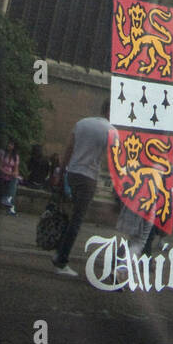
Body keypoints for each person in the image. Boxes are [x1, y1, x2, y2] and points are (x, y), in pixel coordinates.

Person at [52, 98, 114, 276]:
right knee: (76, 221)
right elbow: (115, 161)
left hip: (72, 173)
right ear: (110, 111)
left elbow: (69, 149)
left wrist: (61, 171)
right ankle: (61, 260)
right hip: (88, 178)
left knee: (66, 215)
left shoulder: (82, 123)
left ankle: (58, 250)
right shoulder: (111, 131)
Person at [0, 139, 21, 214]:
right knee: (13, 181)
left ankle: (8, 202)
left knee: (15, 180)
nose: (9, 145)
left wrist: (15, 173)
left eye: (11, 144)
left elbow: (16, 169)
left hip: (10, 175)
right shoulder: (2, 153)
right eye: (9, 144)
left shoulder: (16, 156)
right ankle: (10, 207)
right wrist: (9, 173)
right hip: (1, 172)